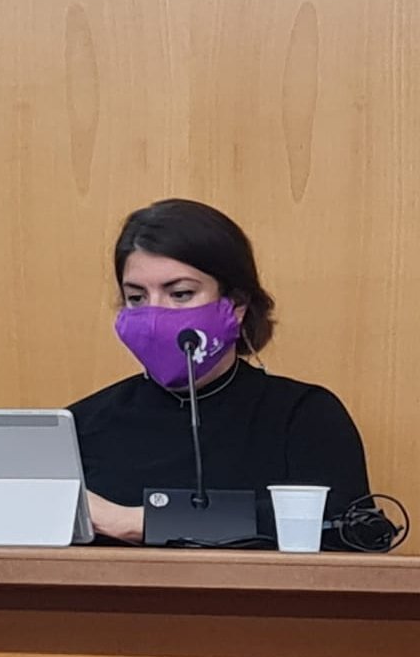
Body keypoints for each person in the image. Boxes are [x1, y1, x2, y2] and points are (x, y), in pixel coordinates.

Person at [70, 199, 371, 547]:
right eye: (136, 298)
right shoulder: (83, 425)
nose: (154, 316)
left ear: (236, 305)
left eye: (180, 294)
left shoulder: (302, 415)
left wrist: (139, 522)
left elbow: (349, 528)